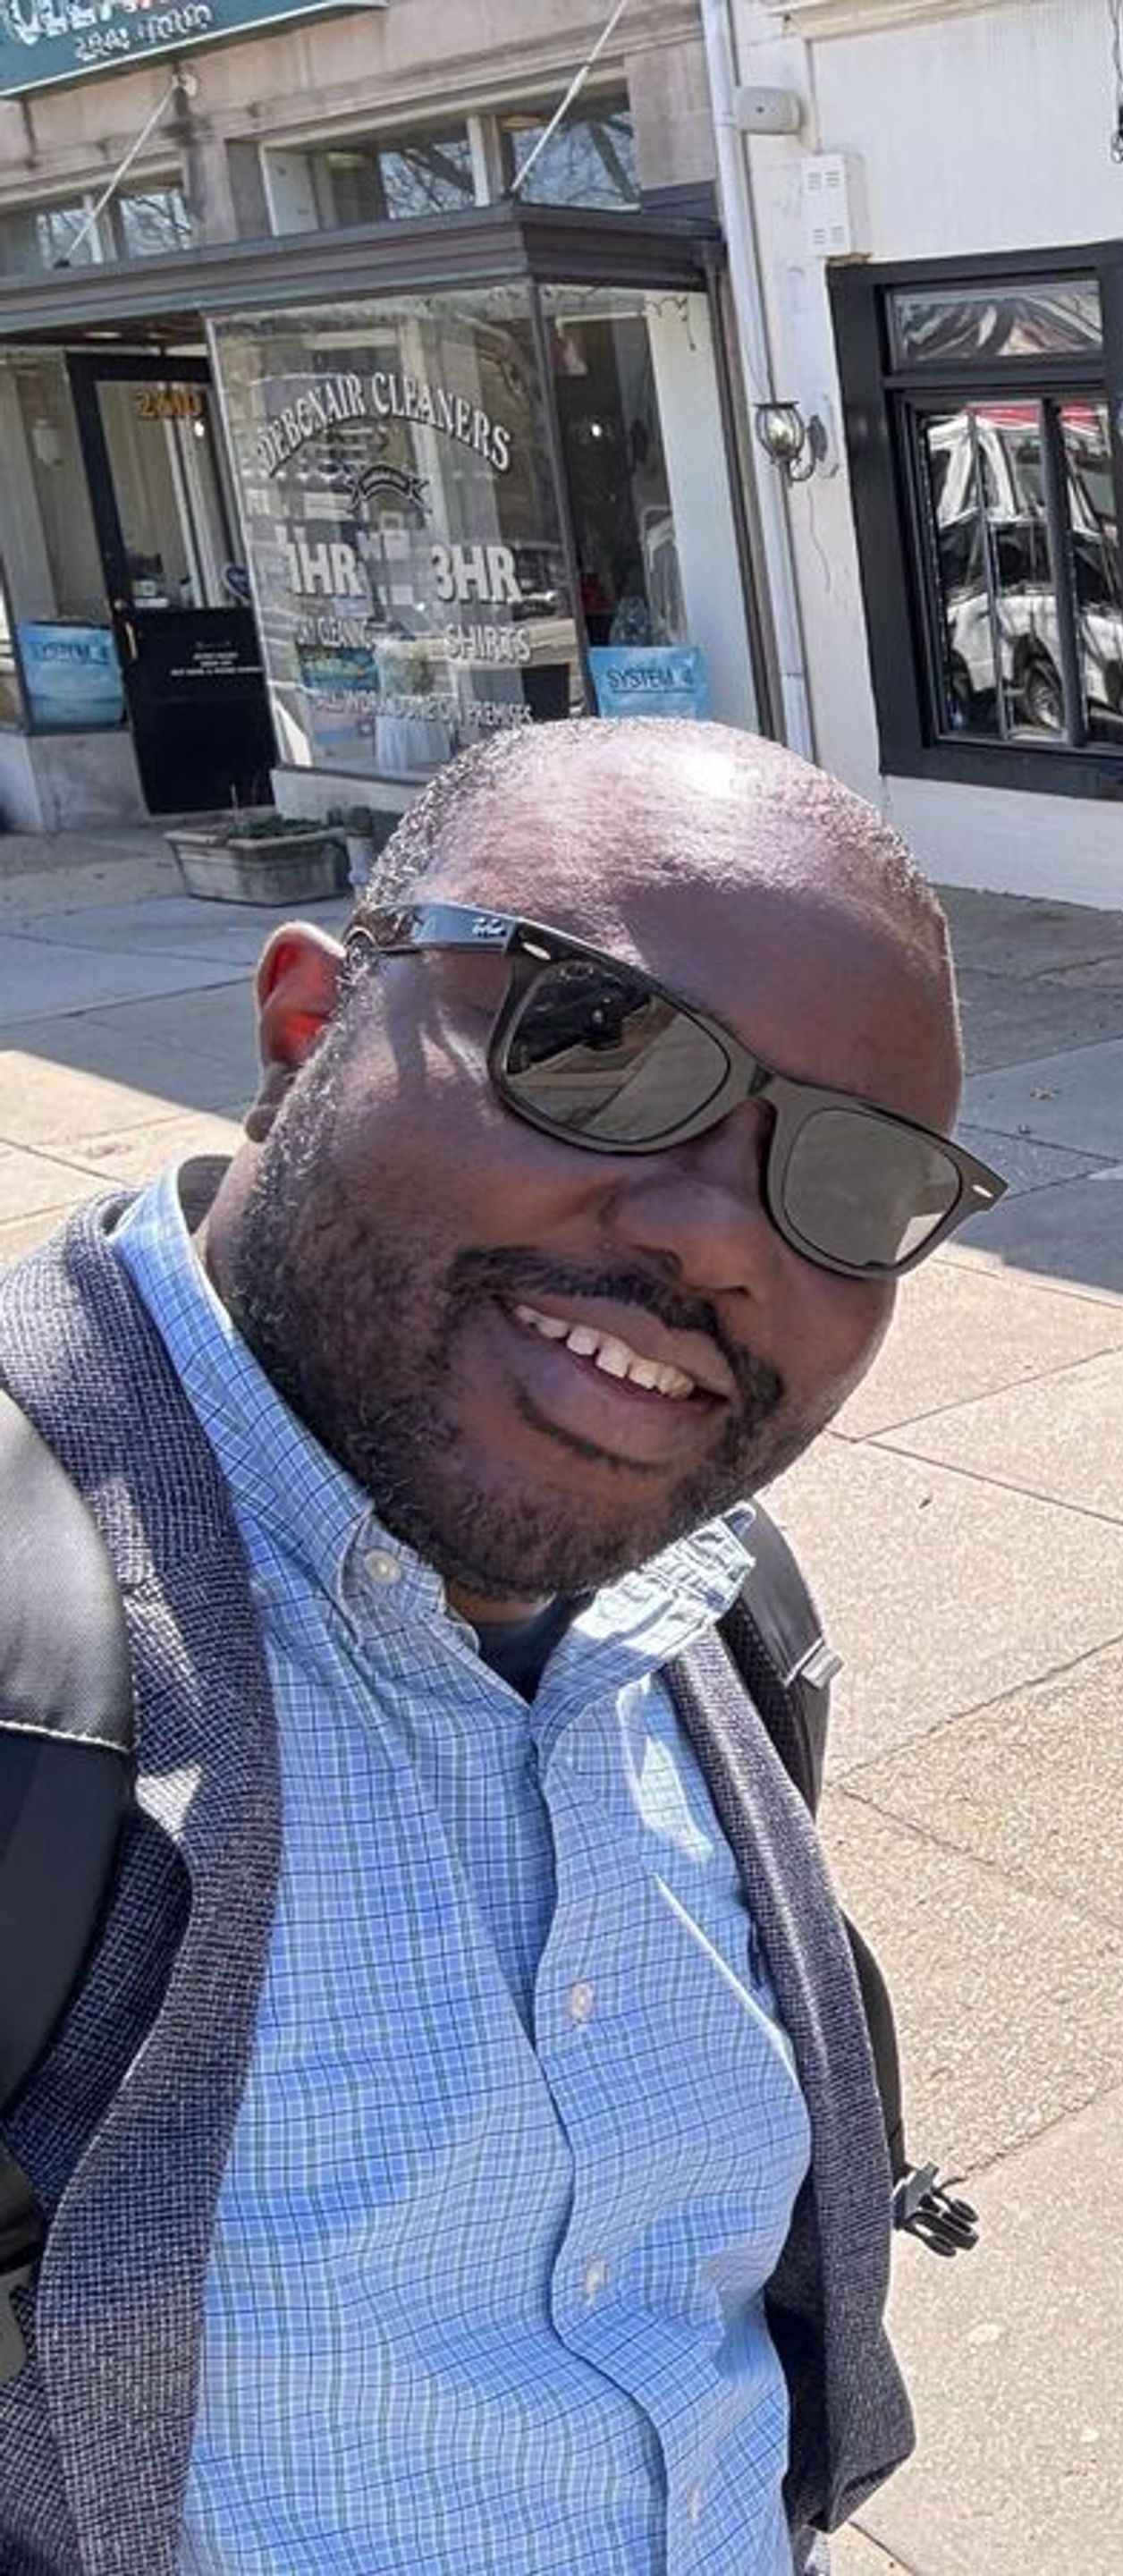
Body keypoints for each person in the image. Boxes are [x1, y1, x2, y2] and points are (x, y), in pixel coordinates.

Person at [0, 717, 1003, 2573]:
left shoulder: (714, 1621)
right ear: (306, 1030)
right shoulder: (31, 1682)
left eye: (851, 1184)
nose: (719, 1235)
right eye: (595, 1048)